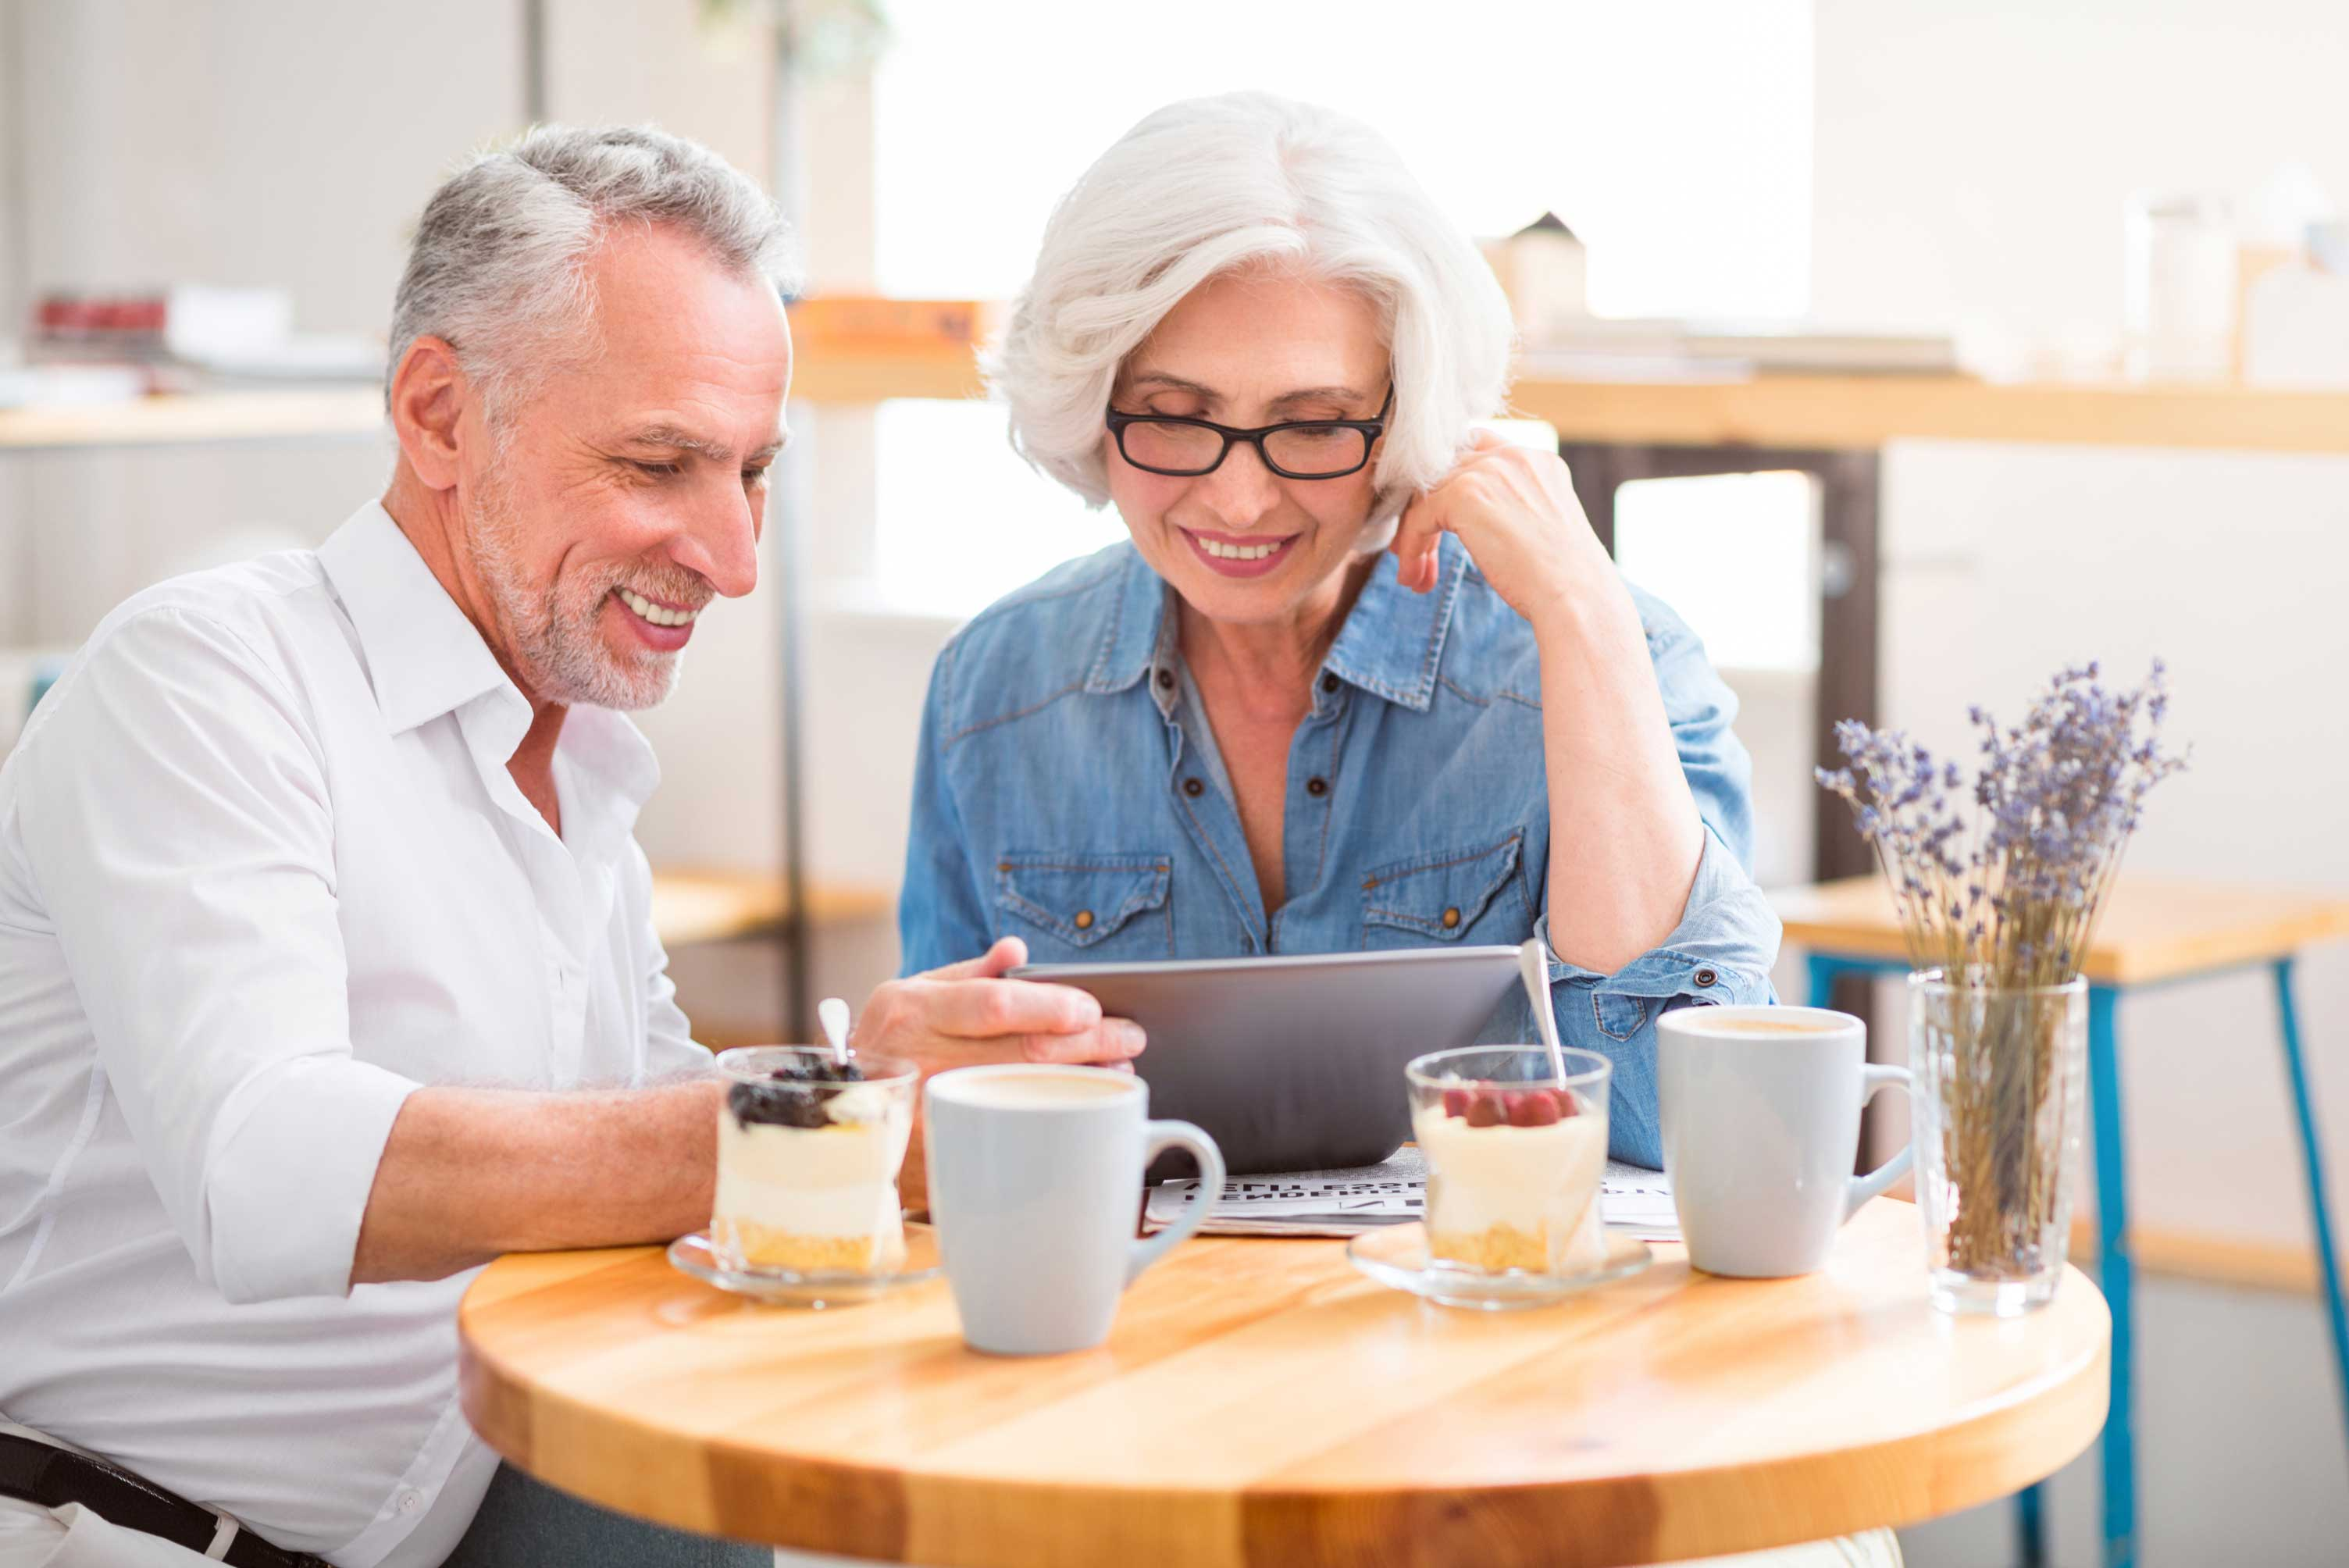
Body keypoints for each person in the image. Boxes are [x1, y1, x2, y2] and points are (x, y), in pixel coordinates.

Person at [0, 125, 1129, 1568]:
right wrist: (837, 1117)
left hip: (478, 1514)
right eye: (662, 464)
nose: (732, 558)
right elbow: (266, 1164)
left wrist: (901, 1101)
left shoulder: (575, 754)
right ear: (439, 416)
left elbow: (650, 1154)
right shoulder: (206, 675)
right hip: (130, 1536)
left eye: (754, 473)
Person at [897, 91, 1891, 1568]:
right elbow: (956, 1151)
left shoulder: (1604, 654)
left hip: (1533, 1374)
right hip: (1139, 1378)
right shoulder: (999, 691)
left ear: (1409, 422)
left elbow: (1677, 1128)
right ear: (1090, 401)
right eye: (1173, 418)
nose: (1237, 495)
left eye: (1312, 427)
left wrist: (1578, 615)